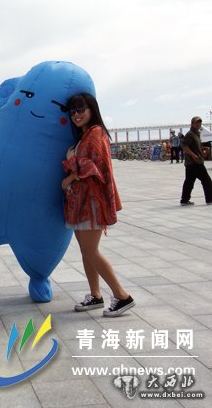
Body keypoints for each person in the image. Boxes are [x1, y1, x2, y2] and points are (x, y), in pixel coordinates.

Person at [62, 93, 135, 317]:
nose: (76, 115)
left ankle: (122, 296)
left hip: (91, 201)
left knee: (90, 250)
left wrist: (69, 176)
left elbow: (92, 166)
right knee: (86, 251)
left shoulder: (95, 133)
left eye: (80, 109)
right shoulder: (85, 135)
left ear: (91, 109)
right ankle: (95, 295)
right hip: (79, 201)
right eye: (72, 111)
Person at [180, 116, 212, 206]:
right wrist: (193, 155)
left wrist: (202, 152)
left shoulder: (196, 134)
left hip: (191, 163)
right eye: (196, 122)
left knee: (189, 182)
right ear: (192, 124)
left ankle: (184, 200)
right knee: (207, 181)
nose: (198, 124)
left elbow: (194, 147)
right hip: (195, 162)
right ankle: (210, 199)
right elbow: (184, 146)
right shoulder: (190, 134)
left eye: (200, 123)